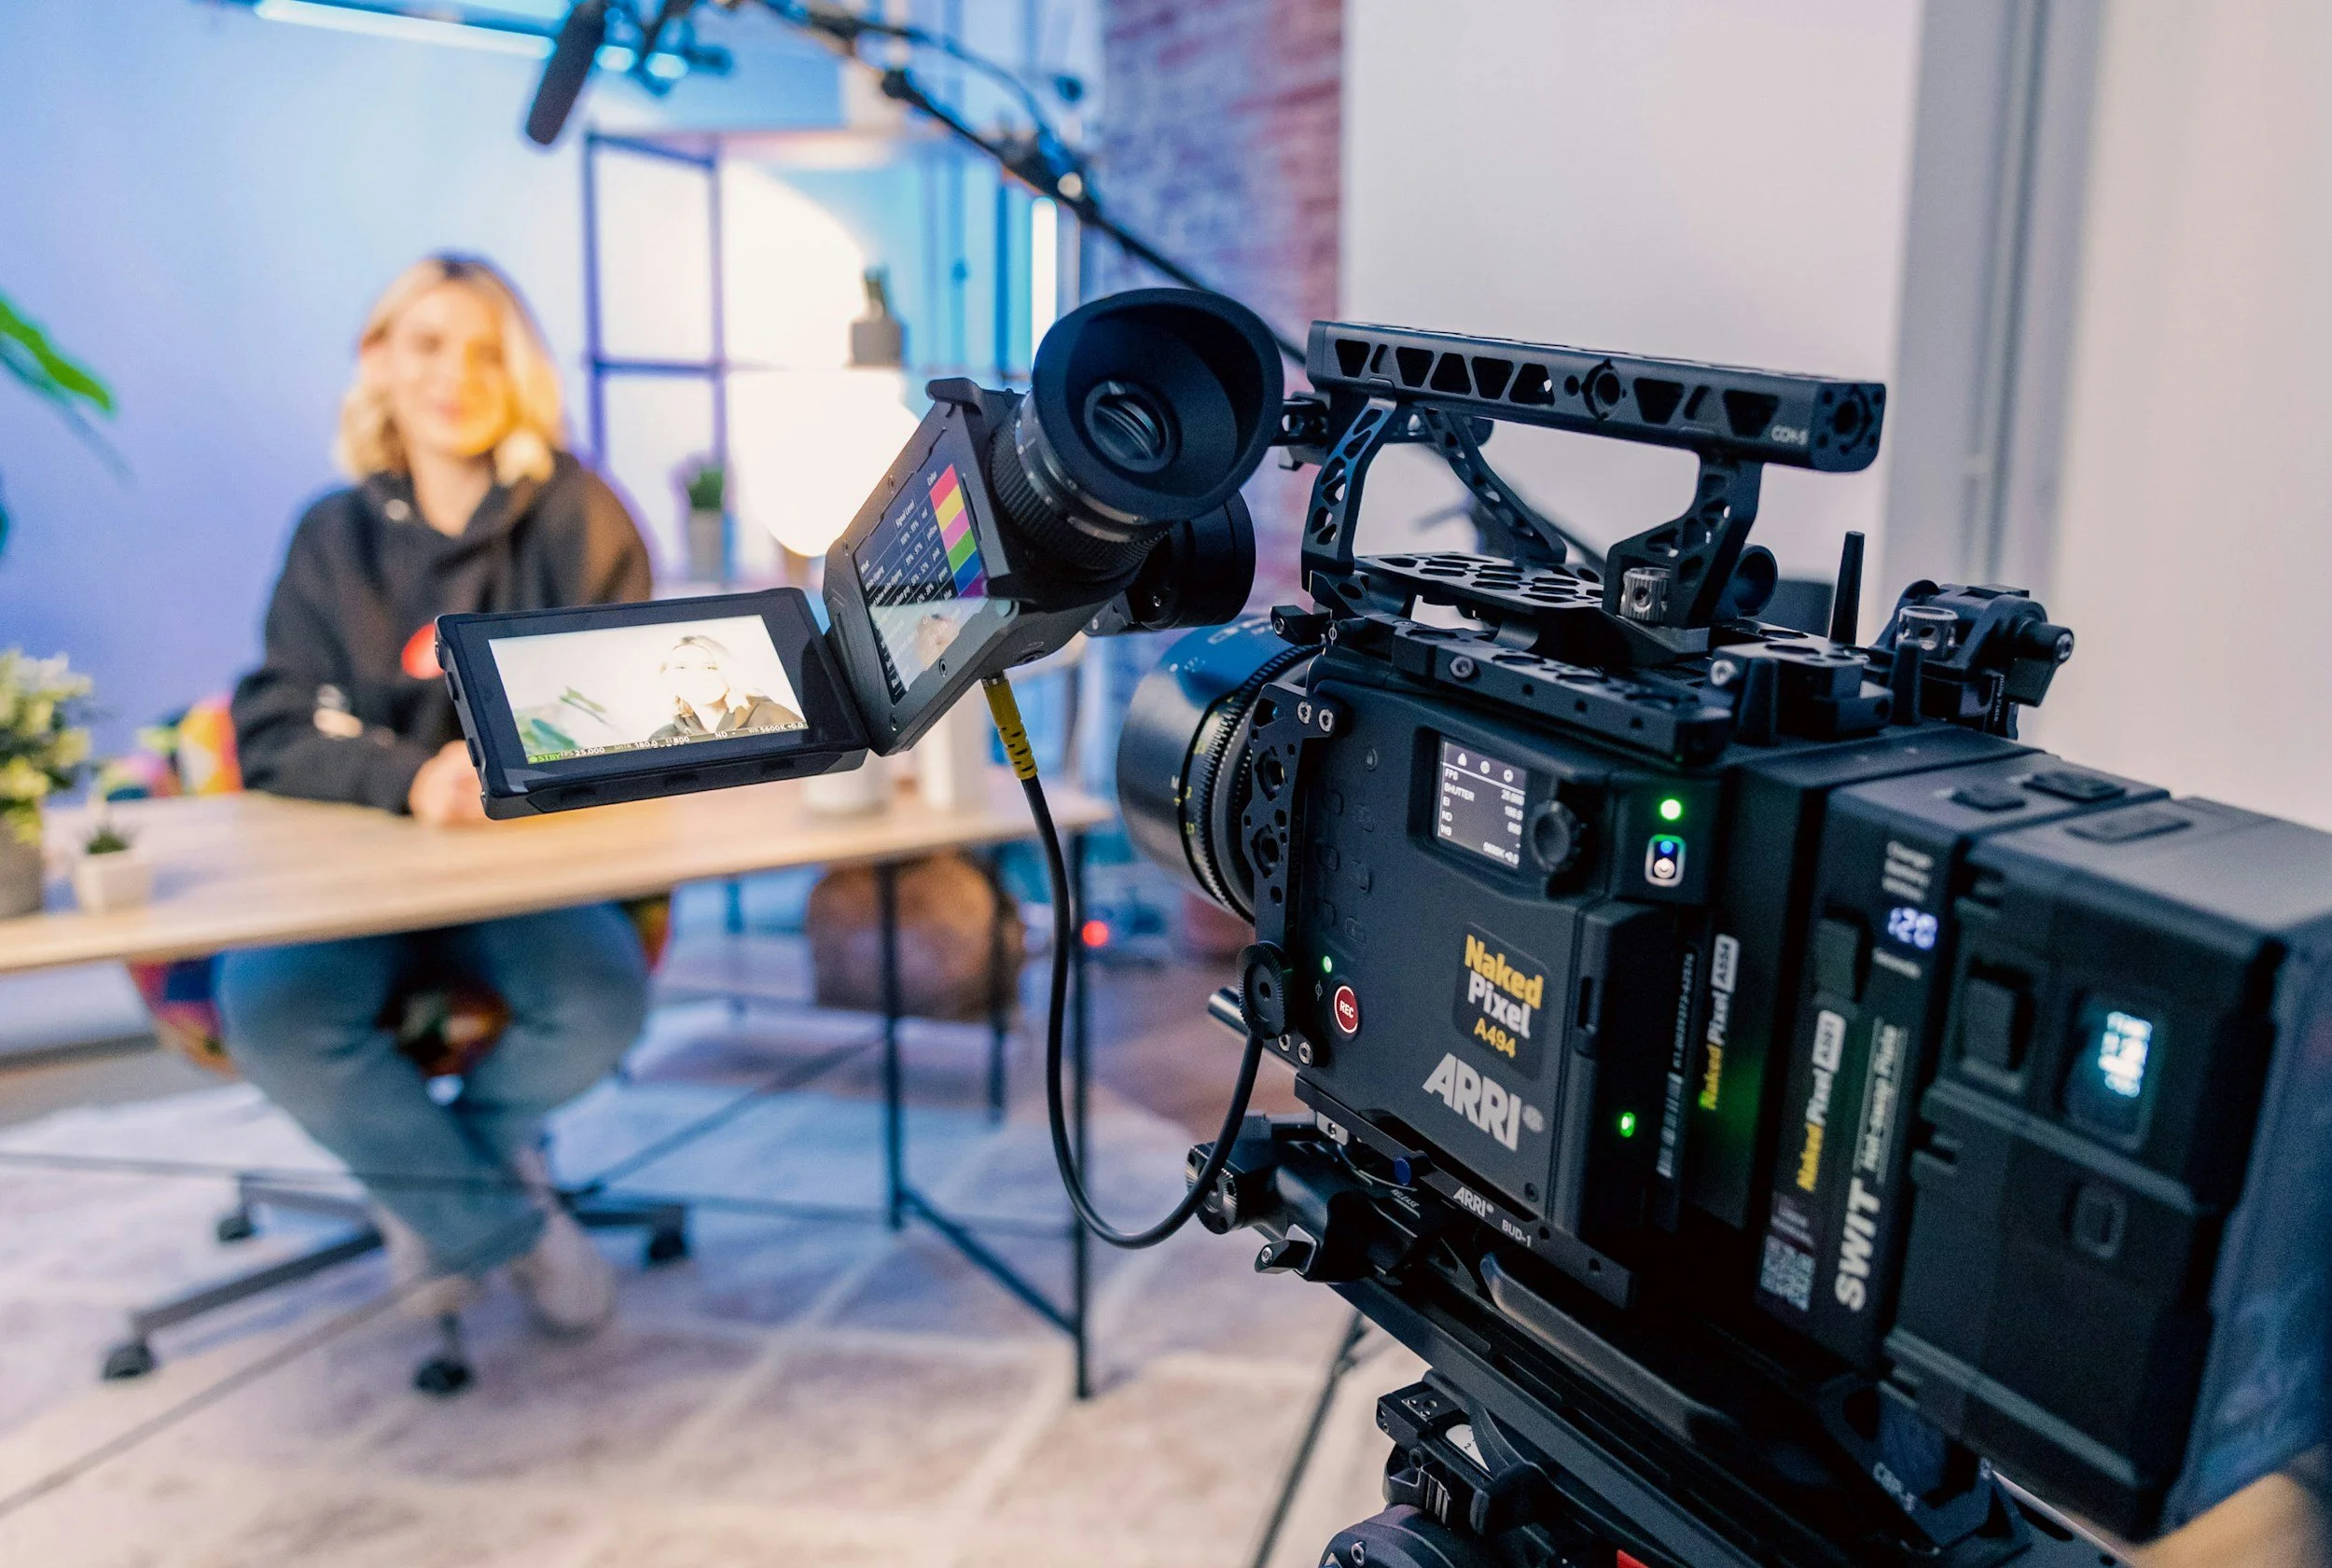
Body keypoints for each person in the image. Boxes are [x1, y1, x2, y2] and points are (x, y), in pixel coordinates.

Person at [222, 254, 654, 1336]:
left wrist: (516, 770)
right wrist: (410, 778)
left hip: (529, 876)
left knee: (600, 1003)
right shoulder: (332, 534)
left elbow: (630, 703)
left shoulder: (580, 515)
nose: (454, 375)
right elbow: (275, 729)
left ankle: (435, 1180)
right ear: (378, 360)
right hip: (355, 874)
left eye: (484, 351)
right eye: (426, 345)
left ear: (521, 373)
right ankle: (504, 1217)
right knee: (270, 1009)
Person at [648, 632, 800, 741]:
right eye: (681, 668)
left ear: (729, 673)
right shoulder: (663, 737)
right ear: (666, 676)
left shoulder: (770, 716)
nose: (697, 677)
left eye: (710, 667)